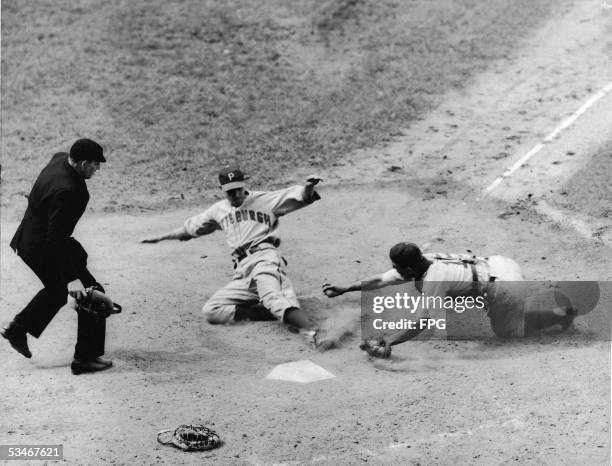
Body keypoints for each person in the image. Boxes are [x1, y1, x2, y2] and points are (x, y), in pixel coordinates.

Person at [141, 167, 325, 347]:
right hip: (243, 271)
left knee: (272, 297)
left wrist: (309, 187)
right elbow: (190, 229)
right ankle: (269, 312)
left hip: (264, 259)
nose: (236, 194)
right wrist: (161, 237)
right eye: (230, 192)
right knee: (212, 311)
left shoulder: (264, 200)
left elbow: (301, 195)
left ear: (244, 185)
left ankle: (310, 330)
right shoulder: (218, 210)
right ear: (222, 191)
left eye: (238, 189)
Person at [323, 242, 577, 357]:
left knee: (507, 333)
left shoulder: (435, 278)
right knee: (455, 299)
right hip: (499, 263)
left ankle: (559, 315)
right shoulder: (424, 260)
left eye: (397, 267)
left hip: (504, 287)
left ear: (409, 268)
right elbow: (380, 280)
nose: (394, 270)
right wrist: (345, 288)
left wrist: (389, 341)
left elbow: (423, 322)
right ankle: (520, 304)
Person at [2, 139, 113, 374]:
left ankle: (18, 329)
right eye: (95, 165)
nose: (97, 169)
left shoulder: (60, 158)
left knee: (57, 292)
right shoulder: (69, 191)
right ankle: (85, 359)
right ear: (83, 163)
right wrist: (71, 277)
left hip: (31, 238)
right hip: (44, 246)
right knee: (89, 292)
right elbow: (56, 238)